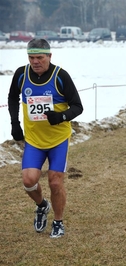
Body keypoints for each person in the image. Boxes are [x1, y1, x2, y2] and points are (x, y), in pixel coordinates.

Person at [7, 39, 83, 238]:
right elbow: (12, 97)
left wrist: (61, 116)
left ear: (49, 56)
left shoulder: (60, 76)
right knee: (28, 181)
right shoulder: (21, 74)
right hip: (34, 140)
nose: (35, 62)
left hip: (58, 140)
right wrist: (15, 123)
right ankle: (42, 206)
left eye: (40, 57)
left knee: (55, 182)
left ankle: (58, 222)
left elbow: (77, 106)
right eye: (31, 57)